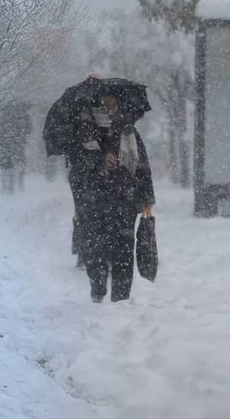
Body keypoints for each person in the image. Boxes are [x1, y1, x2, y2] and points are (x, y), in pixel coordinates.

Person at [67, 93, 154, 303]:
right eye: (104, 104)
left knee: (124, 250)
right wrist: (100, 160)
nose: (109, 109)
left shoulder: (128, 132)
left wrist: (147, 198)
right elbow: (77, 165)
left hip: (126, 200)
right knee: (97, 248)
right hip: (95, 200)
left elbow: (142, 166)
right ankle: (98, 289)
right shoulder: (87, 132)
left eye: (113, 104)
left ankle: (121, 299)